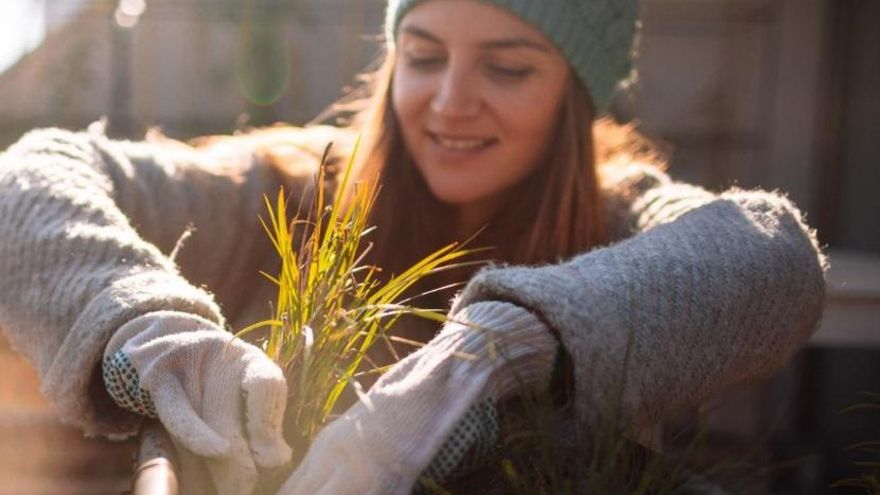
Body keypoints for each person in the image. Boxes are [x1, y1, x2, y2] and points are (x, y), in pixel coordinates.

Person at [0, 0, 826, 494]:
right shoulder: (291, 191)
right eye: (423, 57)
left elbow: (775, 251)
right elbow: (29, 178)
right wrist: (148, 328)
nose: (449, 102)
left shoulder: (616, 221)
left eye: (507, 68)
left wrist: (494, 352)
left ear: (577, 93)